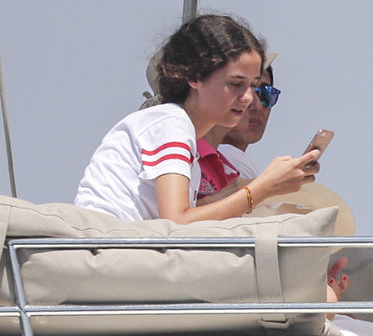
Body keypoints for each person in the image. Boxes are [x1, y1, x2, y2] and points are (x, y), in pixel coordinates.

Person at [74, 15, 320, 223]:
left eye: (255, 87)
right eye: (236, 84)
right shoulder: (172, 123)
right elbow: (177, 223)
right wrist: (262, 188)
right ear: (195, 77)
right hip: (109, 256)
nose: (248, 98)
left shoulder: (179, 130)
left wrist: (262, 189)